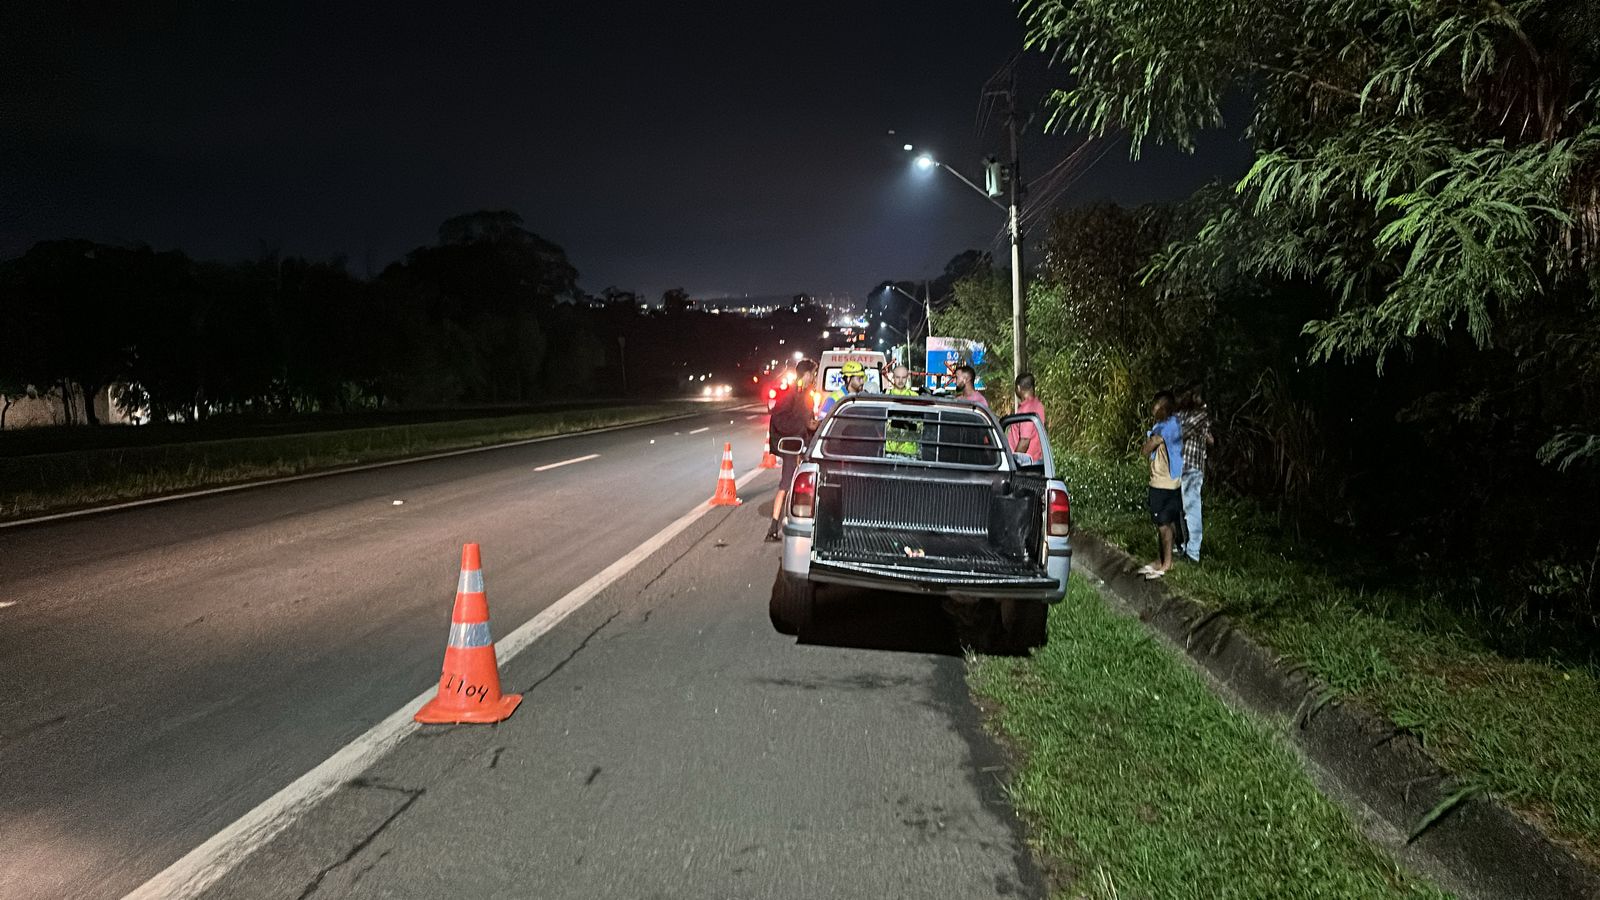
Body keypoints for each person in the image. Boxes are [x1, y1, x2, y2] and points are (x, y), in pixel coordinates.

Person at [766, 358, 819, 542]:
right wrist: (804, 425)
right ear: (806, 374)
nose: (814, 377)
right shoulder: (791, 394)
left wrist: (812, 425)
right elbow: (779, 420)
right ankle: (773, 527)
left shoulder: (804, 393)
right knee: (786, 485)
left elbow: (806, 419)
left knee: (800, 484)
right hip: (791, 446)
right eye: (813, 374)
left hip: (801, 445)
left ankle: (796, 522)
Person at [1138, 391, 1185, 579]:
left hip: (1162, 483)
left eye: (1156, 405)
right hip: (1174, 482)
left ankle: (1166, 564)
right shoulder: (1176, 424)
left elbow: (1146, 449)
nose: (1153, 408)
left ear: (1163, 408)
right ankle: (1163, 559)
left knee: (1163, 525)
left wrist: (1149, 440)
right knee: (1167, 523)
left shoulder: (1164, 429)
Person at [1176, 384, 1214, 563]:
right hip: (1179, 466)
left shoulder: (1201, 414)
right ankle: (1184, 546)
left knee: (1191, 508)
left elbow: (1179, 433)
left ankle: (1193, 553)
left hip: (1191, 466)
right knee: (1180, 509)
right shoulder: (1184, 413)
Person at [883, 363, 921, 458]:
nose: (900, 381)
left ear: (907, 377)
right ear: (893, 377)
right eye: (897, 377)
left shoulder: (915, 397)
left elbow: (921, 424)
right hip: (889, 450)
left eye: (903, 377)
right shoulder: (885, 397)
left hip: (909, 451)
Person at [1007, 372, 1046, 458]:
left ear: (1018, 388)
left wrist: (1014, 461)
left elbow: (1024, 441)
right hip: (1035, 460)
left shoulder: (1026, 410)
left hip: (1024, 462)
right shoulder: (1038, 405)